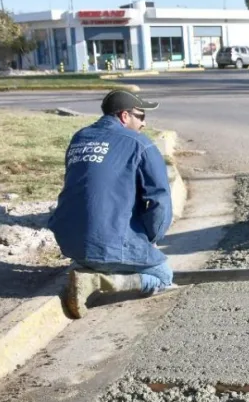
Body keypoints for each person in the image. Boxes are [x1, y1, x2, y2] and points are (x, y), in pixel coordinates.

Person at [49, 90, 174, 319]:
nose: (144, 123)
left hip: (70, 243)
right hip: (107, 243)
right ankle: (102, 280)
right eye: (141, 116)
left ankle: (92, 268)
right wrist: (152, 239)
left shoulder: (80, 138)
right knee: (164, 275)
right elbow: (159, 200)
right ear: (124, 116)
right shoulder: (140, 144)